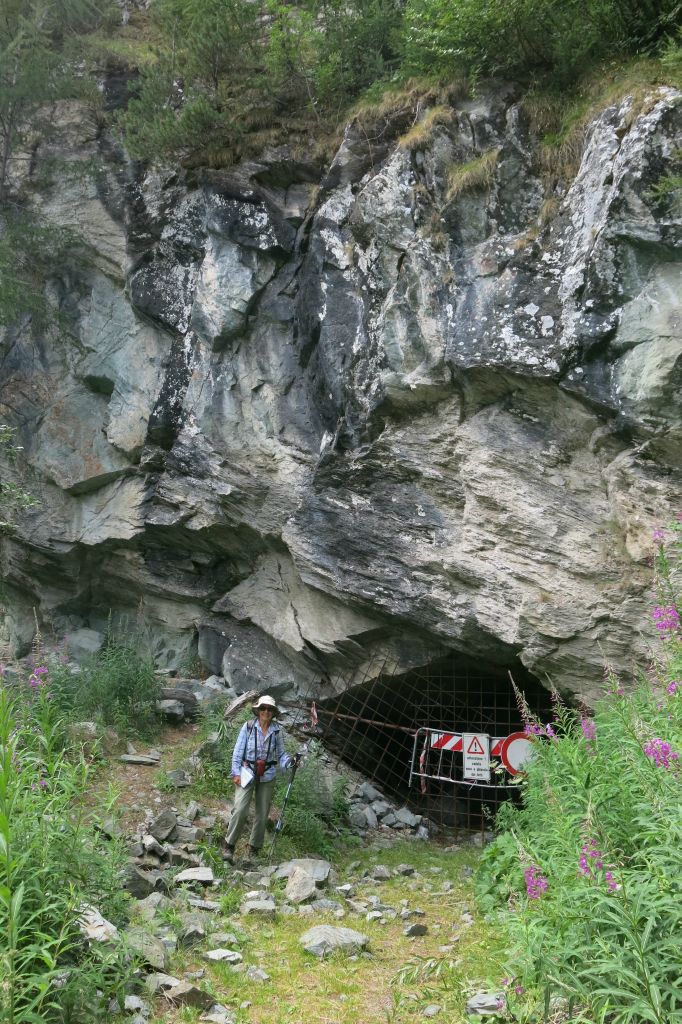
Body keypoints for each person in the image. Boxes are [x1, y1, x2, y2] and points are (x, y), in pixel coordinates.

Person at [223, 694, 296, 863]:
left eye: (270, 709)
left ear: (273, 712)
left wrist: (290, 763)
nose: (266, 712)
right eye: (263, 708)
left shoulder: (277, 731)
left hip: (267, 775)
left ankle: (253, 850)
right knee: (240, 809)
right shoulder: (248, 727)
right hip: (246, 772)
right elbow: (237, 752)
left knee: (262, 814)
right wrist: (235, 773)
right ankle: (229, 846)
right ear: (257, 710)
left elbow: (282, 755)